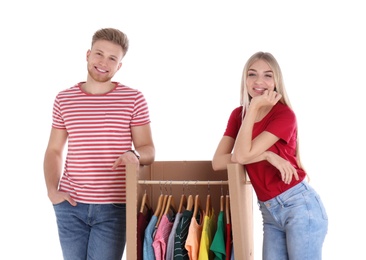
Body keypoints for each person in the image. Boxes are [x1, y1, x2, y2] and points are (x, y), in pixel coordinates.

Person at [43, 28, 155, 260]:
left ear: (119, 65)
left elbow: (148, 150)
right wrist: (52, 191)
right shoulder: (64, 99)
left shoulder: (133, 99)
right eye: (99, 54)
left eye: (112, 58)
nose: (103, 62)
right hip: (70, 206)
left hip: (115, 207)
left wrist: (134, 155)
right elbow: (54, 149)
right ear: (88, 54)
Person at [212, 52, 328, 260]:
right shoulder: (238, 115)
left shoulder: (284, 115)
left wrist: (255, 107)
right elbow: (218, 161)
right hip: (269, 212)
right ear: (244, 80)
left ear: (276, 82)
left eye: (267, 75)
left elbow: (240, 155)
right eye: (252, 74)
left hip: (299, 207)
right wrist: (267, 155)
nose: (259, 81)